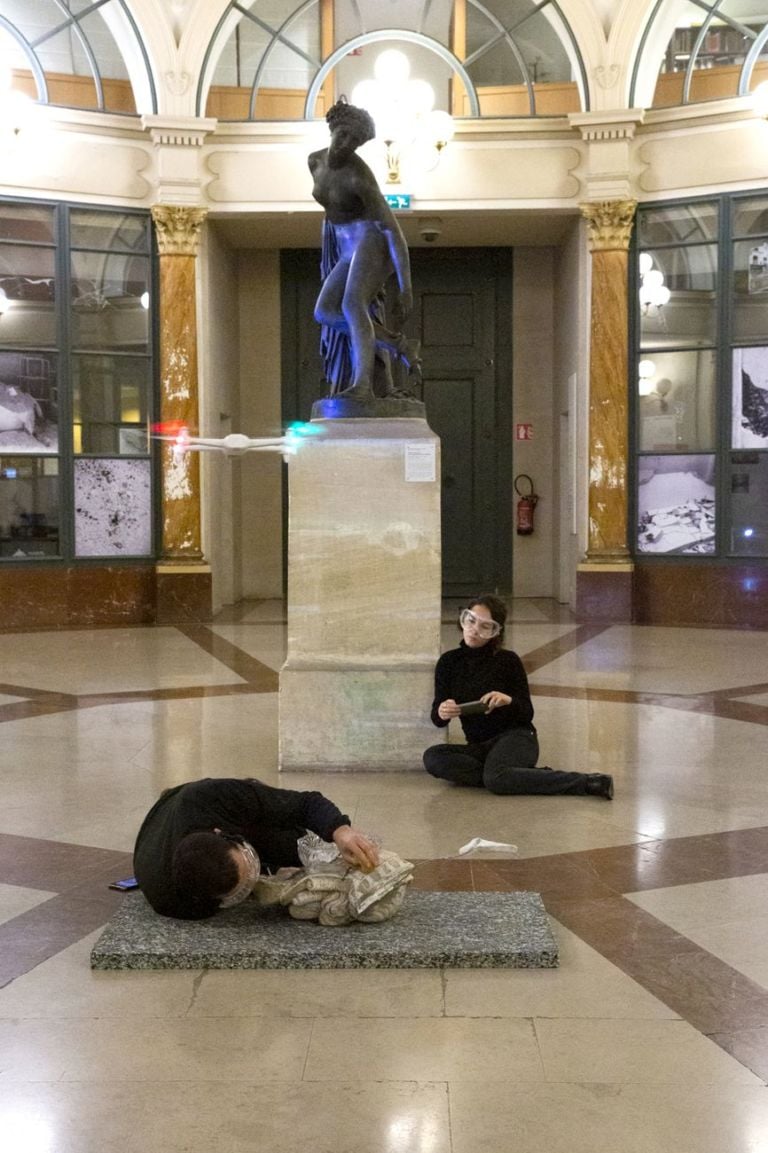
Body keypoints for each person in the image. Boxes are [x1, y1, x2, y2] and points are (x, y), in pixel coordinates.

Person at [423, 594, 614, 799]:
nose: (474, 629)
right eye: (471, 620)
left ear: (495, 632)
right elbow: (437, 718)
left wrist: (508, 700)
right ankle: (519, 777)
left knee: (495, 779)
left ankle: (587, 782)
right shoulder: (448, 662)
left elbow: (527, 713)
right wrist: (443, 711)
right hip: (479, 746)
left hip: (516, 737)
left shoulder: (508, 660)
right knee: (433, 757)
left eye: (485, 626)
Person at [133, 776, 380, 920]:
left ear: (221, 833)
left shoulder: (212, 797)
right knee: (292, 851)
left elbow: (306, 804)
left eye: (250, 864)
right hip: (170, 831)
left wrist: (341, 832)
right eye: (241, 889)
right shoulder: (179, 904)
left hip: (186, 800)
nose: (254, 877)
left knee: (290, 830)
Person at [308, 97, 419, 399]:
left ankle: (363, 386)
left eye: (355, 141)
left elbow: (393, 231)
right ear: (332, 128)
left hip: (373, 240)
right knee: (325, 310)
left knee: (352, 304)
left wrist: (404, 284)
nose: (346, 144)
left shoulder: (360, 178)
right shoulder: (314, 162)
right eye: (343, 135)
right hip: (346, 243)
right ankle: (397, 344)